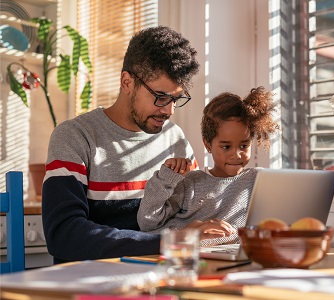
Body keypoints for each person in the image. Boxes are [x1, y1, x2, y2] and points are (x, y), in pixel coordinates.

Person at [42, 26, 234, 264]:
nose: (169, 110)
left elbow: (187, 213)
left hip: (159, 275)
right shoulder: (75, 136)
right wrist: (169, 241)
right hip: (93, 282)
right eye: (161, 97)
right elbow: (64, 235)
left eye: (176, 99)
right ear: (126, 82)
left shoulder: (174, 139)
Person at [137, 86, 280, 246]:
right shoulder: (190, 183)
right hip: (189, 255)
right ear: (208, 145)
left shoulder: (259, 181)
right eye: (226, 146)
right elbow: (147, 223)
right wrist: (165, 180)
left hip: (236, 257)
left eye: (244, 146)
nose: (236, 154)